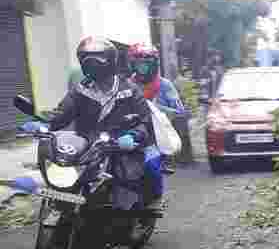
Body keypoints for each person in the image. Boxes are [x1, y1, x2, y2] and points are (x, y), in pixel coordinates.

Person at [25, 37, 162, 218]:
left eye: (97, 59)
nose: (92, 65)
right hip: (87, 147)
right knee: (63, 175)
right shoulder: (81, 89)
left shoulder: (129, 89)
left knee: (128, 187)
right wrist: (43, 122)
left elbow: (145, 121)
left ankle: (131, 217)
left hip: (119, 145)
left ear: (110, 61)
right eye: (86, 59)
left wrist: (133, 136)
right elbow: (62, 113)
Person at [127, 43, 185, 173]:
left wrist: (154, 108)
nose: (142, 68)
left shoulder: (164, 85)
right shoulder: (127, 85)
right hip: (132, 139)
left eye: (145, 64)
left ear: (153, 65)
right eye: (138, 64)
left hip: (157, 141)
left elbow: (179, 112)